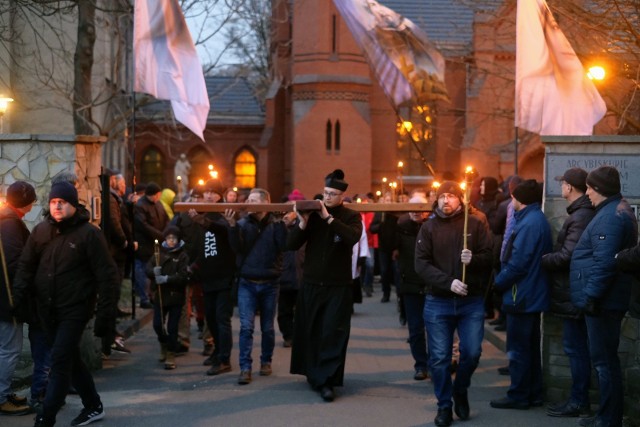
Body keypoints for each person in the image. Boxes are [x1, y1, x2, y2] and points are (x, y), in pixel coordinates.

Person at [12, 181, 118, 427]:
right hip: (46, 310)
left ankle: (46, 417)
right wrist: (18, 301)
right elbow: (26, 268)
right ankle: (93, 405)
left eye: (63, 202)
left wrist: (105, 318)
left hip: (75, 309)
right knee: (69, 358)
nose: (57, 206)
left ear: (73, 205)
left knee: (59, 359)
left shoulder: (89, 235)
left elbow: (107, 276)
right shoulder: (41, 231)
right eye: (53, 202)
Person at [414, 181, 493, 426]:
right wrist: (448, 283)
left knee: (471, 352)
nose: (446, 200)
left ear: (461, 199)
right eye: (442, 197)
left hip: (470, 301)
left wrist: (475, 259)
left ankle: (460, 388)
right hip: (438, 301)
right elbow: (421, 264)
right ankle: (444, 405)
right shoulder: (428, 228)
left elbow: (490, 257)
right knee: (439, 358)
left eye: (451, 196)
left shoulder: (476, 224)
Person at [570, 166, 638, 427]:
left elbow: (604, 263)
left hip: (604, 301)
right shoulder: (612, 210)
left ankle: (608, 420)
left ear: (599, 189)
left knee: (604, 362)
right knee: (604, 360)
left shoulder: (611, 216)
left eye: (589, 187)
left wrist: (590, 296)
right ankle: (606, 416)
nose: (586, 192)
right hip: (605, 299)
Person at [288, 169, 363, 402]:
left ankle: (327, 380)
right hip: (311, 284)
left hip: (338, 285)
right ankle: (314, 374)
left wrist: (328, 218)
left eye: (332, 194)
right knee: (311, 330)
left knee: (332, 332)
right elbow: (290, 244)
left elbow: (352, 237)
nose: (327, 197)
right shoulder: (312, 216)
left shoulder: (350, 216)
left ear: (342, 196)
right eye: (325, 193)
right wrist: (302, 223)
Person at [490, 179, 552, 410]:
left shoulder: (529, 223)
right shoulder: (533, 219)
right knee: (529, 347)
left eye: (514, 197)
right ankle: (532, 392)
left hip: (522, 294)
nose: (511, 200)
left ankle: (519, 394)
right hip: (529, 292)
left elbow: (519, 263)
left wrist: (499, 282)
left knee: (519, 348)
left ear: (521, 199)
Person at [542, 168, 594, 418]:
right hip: (571, 291)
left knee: (576, 349)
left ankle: (578, 401)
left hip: (574, 292)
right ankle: (578, 399)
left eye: (562, 183)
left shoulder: (580, 215)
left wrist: (544, 260)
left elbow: (568, 256)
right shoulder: (580, 213)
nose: (560, 186)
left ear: (570, 187)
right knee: (576, 348)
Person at [235, 188, 288, 385]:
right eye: (248, 199)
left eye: (254, 200)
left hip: (270, 283)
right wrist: (232, 226)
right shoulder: (242, 224)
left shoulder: (275, 225)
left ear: (266, 203)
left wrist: (283, 223)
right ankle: (245, 367)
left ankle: (266, 361)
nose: (250, 203)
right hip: (247, 282)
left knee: (267, 327)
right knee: (246, 327)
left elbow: (284, 246)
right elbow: (237, 248)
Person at [190, 180, 239, 376]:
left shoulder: (225, 214)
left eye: (213, 192)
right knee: (210, 318)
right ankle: (218, 352)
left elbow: (222, 230)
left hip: (224, 276)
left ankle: (224, 359)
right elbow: (198, 245)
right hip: (207, 276)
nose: (209, 195)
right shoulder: (200, 217)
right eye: (206, 192)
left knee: (222, 319)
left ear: (221, 195)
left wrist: (202, 221)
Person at [0, 181, 37, 416]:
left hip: (4, 299)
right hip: (7, 300)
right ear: (26, 203)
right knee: (9, 349)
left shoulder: (6, 222)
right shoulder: (10, 226)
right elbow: (14, 265)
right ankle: (2, 397)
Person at [393, 195, 430, 381]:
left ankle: (435, 363)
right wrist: (389, 216)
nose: (417, 210)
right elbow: (388, 244)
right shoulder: (401, 228)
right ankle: (421, 365)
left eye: (420, 206)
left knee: (434, 328)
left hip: (432, 285)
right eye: (413, 206)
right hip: (410, 284)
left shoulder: (433, 227)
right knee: (415, 328)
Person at [146, 225, 190, 370]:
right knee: (157, 324)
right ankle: (163, 343)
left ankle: (171, 352)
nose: (171, 241)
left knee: (172, 327)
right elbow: (148, 268)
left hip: (176, 296)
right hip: (160, 295)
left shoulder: (182, 256)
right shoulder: (159, 253)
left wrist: (167, 279)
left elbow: (183, 276)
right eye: (169, 238)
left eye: (174, 238)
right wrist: (154, 271)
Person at [134, 182, 169, 309]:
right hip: (145, 244)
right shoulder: (140, 206)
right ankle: (144, 297)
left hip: (157, 242)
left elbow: (165, 219)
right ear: (154, 195)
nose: (159, 197)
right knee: (143, 270)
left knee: (155, 271)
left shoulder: (158, 204)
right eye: (158, 194)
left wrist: (167, 232)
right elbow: (143, 226)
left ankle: (153, 296)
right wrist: (160, 235)